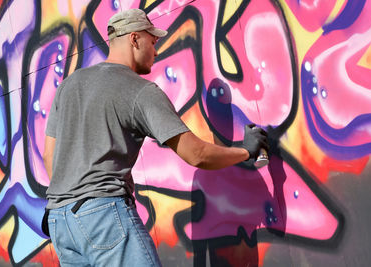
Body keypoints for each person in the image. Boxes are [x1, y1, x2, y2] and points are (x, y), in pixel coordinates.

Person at [42, 8, 268, 267]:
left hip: (60, 221)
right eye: (153, 41)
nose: (156, 51)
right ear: (134, 39)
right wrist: (247, 151)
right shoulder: (140, 91)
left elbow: (50, 156)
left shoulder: (69, 86)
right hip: (104, 217)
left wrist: (71, 197)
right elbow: (196, 154)